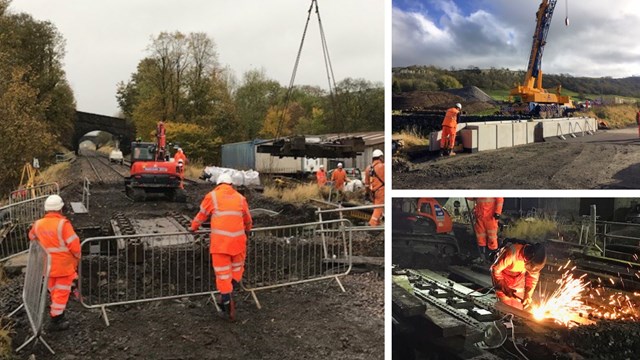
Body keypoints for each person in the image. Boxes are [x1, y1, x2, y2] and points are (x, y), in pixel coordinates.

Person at [190, 173, 252, 321]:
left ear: (218, 184)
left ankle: (226, 303)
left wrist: (193, 227)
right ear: (231, 184)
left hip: (220, 245)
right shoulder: (240, 198)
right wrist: (248, 230)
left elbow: (202, 215)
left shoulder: (212, 196)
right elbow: (248, 219)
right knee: (236, 271)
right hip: (238, 243)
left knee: (222, 276)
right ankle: (231, 289)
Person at [28, 195, 81, 331]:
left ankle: (55, 312)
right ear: (60, 209)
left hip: (47, 266)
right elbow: (74, 245)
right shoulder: (63, 224)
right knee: (61, 293)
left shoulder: (38, 224)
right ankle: (56, 319)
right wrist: (77, 257)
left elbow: (32, 237)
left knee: (53, 290)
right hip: (63, 267)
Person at [491, 242, 546, 311]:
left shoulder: (534, 262)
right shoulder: (511, 253)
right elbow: (495, 269)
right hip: (504, 280)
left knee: (517, 310)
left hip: (518, 281)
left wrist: (528, 295)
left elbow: (532, 277)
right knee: (505, 309)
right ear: (528, 257)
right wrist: (503, 287)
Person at [467, 197, 504, 262]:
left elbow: (500, 199)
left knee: (492, 238)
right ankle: (482, 257)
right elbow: (472, 197)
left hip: (490, 218)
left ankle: (493, 257)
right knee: (480, 238)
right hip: (480, 217)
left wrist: (498, 212)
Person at [364, 149, 385, 226]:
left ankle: (377, 225)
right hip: (381, 190)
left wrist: (367, 193)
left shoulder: (368, 168)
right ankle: (372, 224)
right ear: (380, 157)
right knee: (378, 208)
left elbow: (366, 184)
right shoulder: (383, 166)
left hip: (373, 192)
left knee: (376, 208)